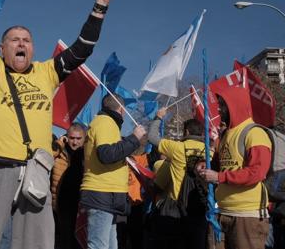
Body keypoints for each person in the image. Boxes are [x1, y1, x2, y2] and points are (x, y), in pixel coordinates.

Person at [0, 0, 113, 249]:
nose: (21, 44)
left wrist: (99, 8)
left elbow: (82, 49)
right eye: (14, 40)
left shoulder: (47, 72)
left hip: (36, 170)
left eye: (27, 40)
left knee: (36, 243)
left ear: (33, 48)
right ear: (2, 49)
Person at [198, 87, 272, 249]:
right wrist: (206, 166)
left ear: (235, 105)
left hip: (246, 216)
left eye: (223, 105)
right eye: (219, 104)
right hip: (222, 211)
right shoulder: (226, 134)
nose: (219, 109)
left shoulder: (255, 133)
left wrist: (218, 177)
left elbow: (256, 173)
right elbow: (221, 165)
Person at [79, 94, 146, 249]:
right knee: (99, 245)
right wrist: (134, 138)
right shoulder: (106, 122)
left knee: (110, 245)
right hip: (102, 192)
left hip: (107, 195)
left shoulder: (106, 123)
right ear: (121, 109)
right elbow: (107, 154)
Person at [147, 108, 209, 249]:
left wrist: (158, 117)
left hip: (176, 209)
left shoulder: (177, 147)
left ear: (186, 132)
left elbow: (151, 137)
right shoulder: (210, 151)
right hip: (201, 208)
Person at [51, 123, 86, 249]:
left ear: (84, 139)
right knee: (63, 241)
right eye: (72, 138)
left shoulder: (87, 155)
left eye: (78, 138)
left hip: (81, 206)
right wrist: (58, 146)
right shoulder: (60, 151)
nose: (75, 142)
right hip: (61, 205)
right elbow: (46, 159)